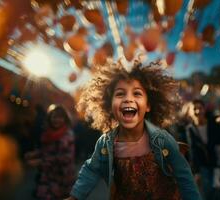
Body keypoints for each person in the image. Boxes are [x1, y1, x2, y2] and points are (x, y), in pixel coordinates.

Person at [66, 61, 201, 200]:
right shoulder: (106, 143)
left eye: (136, 93)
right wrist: (75, 196)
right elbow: (91, 170)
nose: (128, 99)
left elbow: (183, 175)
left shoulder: (162, 139)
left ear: (148, 105)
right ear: (109, 106)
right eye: (120, 94)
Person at [186, 99, 220, 200]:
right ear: (190, 112)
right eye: (195, 109)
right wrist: (196, 172)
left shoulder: (214, 121)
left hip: (219, 162)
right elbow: (193, 150)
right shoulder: (190, 128)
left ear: (204, 109)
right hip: (204, 164)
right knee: (207, 191)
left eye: (200, 108)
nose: (198, 111)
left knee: (218, 192)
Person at [25, 104, 75, 200]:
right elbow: (46, 150)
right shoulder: (48, 132)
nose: (57, 120)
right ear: (49, 118)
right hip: (47, 176)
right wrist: (34, 154)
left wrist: (40, 162)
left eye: (60, 117)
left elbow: (65, 158)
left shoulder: (68, 135)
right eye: (54, 117)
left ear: (65, 119)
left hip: (61, 178)